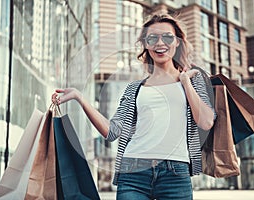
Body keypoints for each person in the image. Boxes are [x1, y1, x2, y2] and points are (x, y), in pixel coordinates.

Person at [52, 13, 215, 200]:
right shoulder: (135, 89)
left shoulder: (194, 80)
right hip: (133, 172)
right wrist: (81, 98)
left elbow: (205, 122)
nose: (160, 43)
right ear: (145, 44)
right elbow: (112, 132)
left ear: (177, 41)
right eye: (152, 38)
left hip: (175, 173)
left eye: (167, 37)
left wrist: (185, 82)